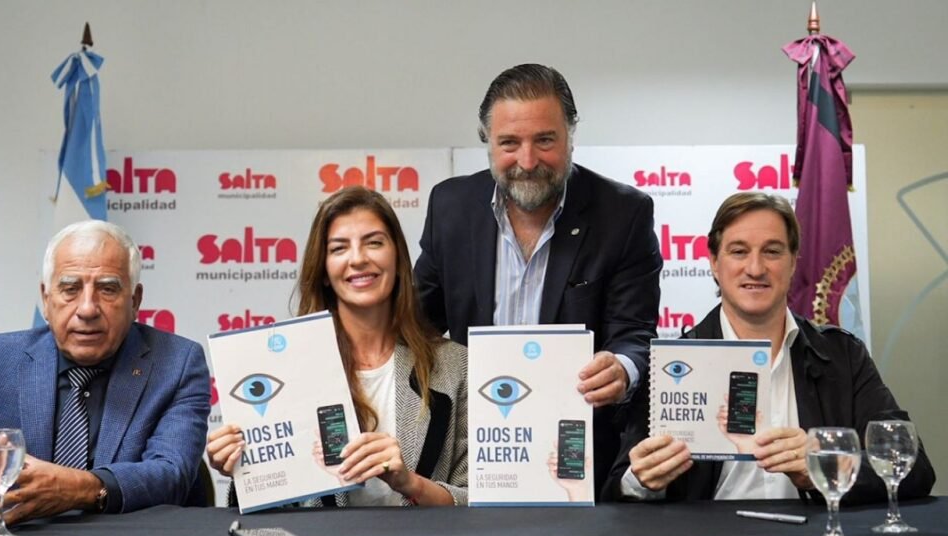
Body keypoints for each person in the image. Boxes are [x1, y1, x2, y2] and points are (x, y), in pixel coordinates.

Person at [413, 63, 662, 496]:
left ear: (570, 136)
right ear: (487, 140)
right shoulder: (451, 206)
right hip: (472, 457)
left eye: (545, 140)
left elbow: (634, 333)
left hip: (578, 454)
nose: (527, 162)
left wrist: (622, 368)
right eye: (509, 143)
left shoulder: (623, 214)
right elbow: (417, 324)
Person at [605, 192, 935, 504]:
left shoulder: (843, 355)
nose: (755, 268)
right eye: (739, 251)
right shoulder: (670, 362)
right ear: (714, 262)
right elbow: (618, 487)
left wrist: (826, 466)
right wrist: (641, 480)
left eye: (772, 251)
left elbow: (913, 466)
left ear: (793, 262)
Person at [0, 220, 211, 530]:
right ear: (46, 299)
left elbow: (172, 474)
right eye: (70, 289)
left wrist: (80, 489)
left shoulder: (177, 363)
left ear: (134, 301)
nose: (87, 309)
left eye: (108, 289)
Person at [207, 186, 468, 506]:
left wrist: (410, 483)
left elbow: (477, 501)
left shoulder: (456, 365)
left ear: (398, 259)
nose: (358, 259)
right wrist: (242, 469)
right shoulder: (283, 369)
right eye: (339, 248)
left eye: (374, 243)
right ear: (324, 271)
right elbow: (273, 508)